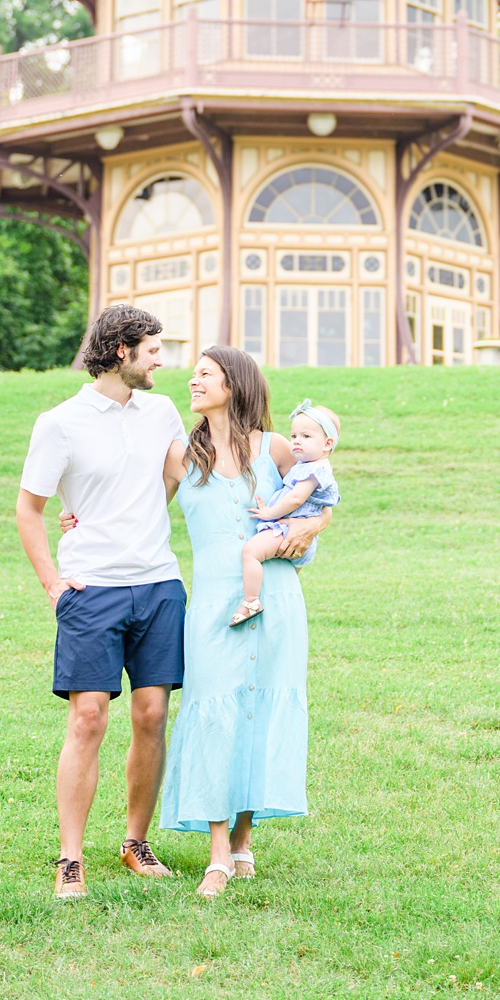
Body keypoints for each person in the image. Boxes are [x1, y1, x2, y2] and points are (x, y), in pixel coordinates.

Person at [15, 304, 186, 900]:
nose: (162, 359)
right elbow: (29, 510)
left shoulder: (162, 410)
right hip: (91, 590)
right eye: (154, 349)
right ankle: (70, 859)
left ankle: (135, 842)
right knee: (88, 717)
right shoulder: (59, 422)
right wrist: (54, 584)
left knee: (152, 716)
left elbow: (176, 478)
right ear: (122, 351)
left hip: (159, 584)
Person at [156, 345, 329, 897]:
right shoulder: (180, 455)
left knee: (258, 710)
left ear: (234, 382)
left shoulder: (276, 448)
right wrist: (77, 518)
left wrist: (310, 532)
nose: (193, 380)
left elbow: (318, 504)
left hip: (276, 597)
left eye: (205, 374)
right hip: (211, 604)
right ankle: (215, 855)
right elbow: (138, 513)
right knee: (212, 714)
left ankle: (243, 841)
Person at [232, 400, 342, 628]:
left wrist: (268, 513)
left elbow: (295, 498)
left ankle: (251, 601)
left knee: (250, 552)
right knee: (283, 583)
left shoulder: (315, 469)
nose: (296, 441)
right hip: (293, 530)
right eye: (294, 436)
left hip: (287, 529)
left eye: (306, 436)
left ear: (327, 443)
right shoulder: (307, 465)